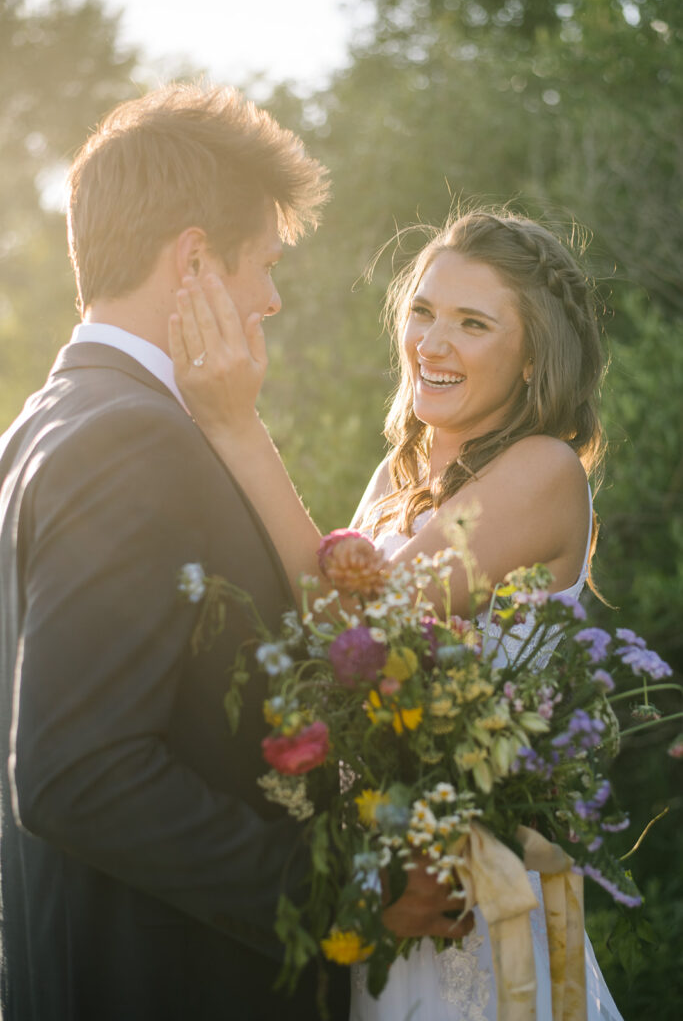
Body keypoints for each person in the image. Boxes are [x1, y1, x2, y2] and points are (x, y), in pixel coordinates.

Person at [169, 209, 625, 1020]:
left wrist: (239, 428)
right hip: (391, 886)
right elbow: (314, 625)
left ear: (530, 358)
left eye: (472, 323)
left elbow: (356, 629)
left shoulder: (542, 470)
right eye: (422, 311)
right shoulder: (398, 473)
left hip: (479, 911)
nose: (431, 343)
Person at [0, 82, 355, 1021]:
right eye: (264, 265)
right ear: (194, 259)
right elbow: (77, 770)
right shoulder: (133, 440)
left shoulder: (43, 423)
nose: (271, 300)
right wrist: (332, 893)